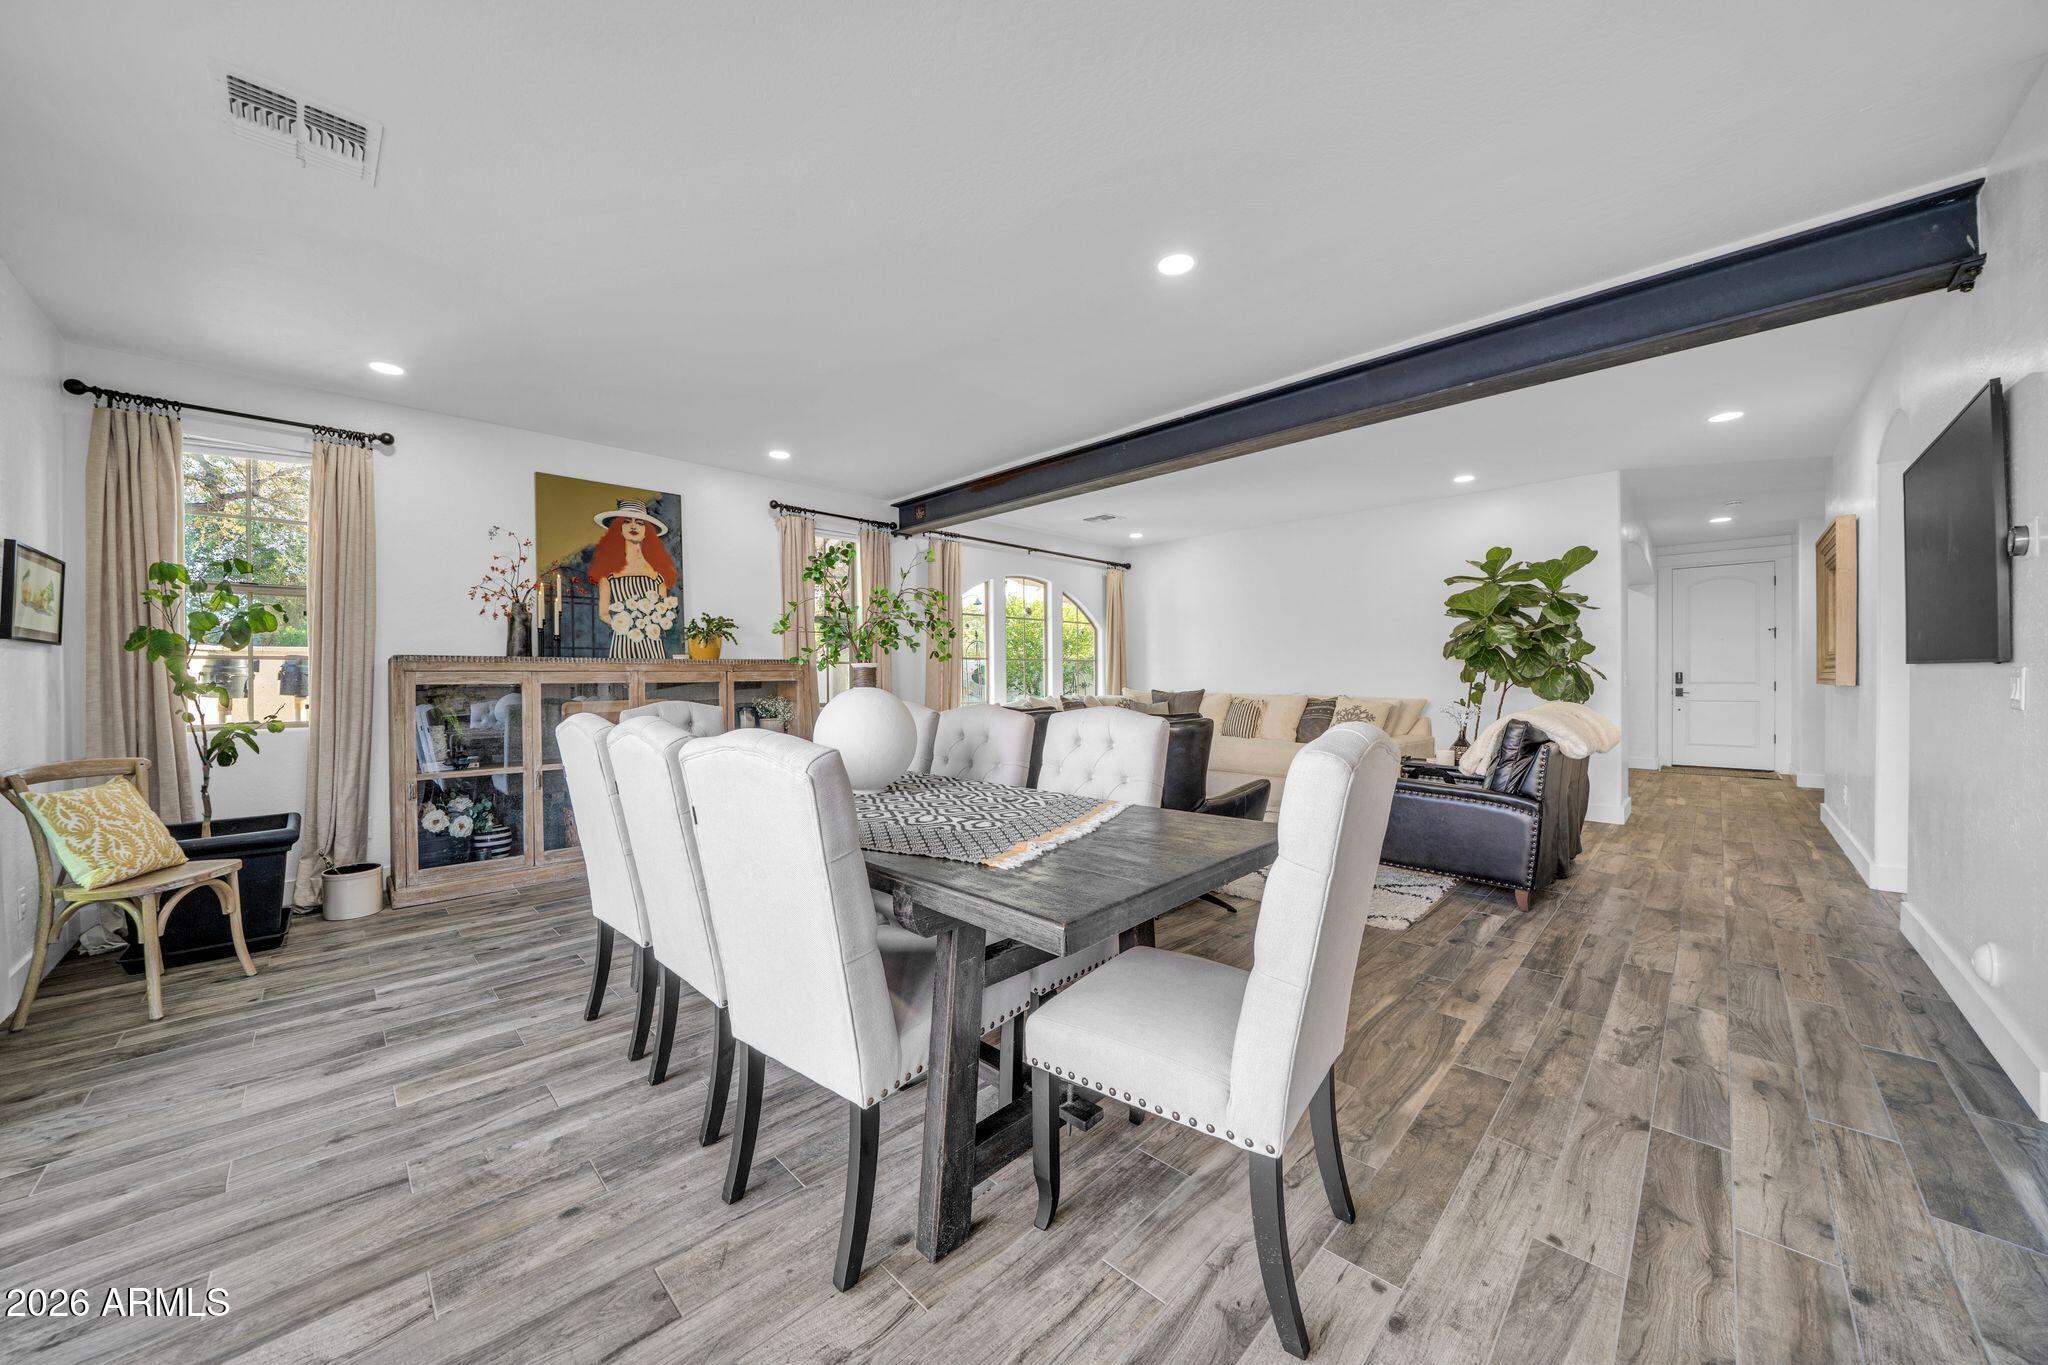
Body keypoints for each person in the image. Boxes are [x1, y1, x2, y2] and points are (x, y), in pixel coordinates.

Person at [588, 499, 679, 660]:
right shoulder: (607, 572)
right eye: (627, 521)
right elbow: (603, 613)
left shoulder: (658, 573)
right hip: (622, 644)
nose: (633, 526)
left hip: (653, 645)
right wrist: (629, 624)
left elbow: (664, 611)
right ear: (619, 529)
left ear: (647, 531)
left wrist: (649, 624)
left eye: (640, 522)